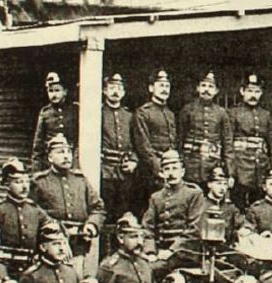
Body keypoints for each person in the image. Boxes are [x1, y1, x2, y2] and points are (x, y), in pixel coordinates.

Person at [31, 133, 106, 257]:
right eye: (60, 152)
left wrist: (92, 225)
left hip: (79, 243)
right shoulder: (39, 182)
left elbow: (98, 208)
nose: (66, 156)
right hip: (51, 242)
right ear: (50, 157)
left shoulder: (81, 180)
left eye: (68, 152)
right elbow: (31, 211)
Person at [0, 157, 50, 276]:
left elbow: (51, 229)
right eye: (18, 182)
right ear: (7, 184)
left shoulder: (36, 211)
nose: (24, 187)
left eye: (26, 182)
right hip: (3, 268)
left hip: (30, 269)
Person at [133, 68, 178, 215]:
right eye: (161, 85)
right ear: (151, 88)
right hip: (150, 172)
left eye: (167, 86)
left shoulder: (170, 114)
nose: (164, 89)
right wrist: (159, 168)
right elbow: (143, 146)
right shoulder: (143, 112)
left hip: (168, 171)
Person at [142, 149, 205, 253]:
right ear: (161, 173)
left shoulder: (194, 194)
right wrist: (150, 252)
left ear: (182, 172)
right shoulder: (156, 197)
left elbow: (194, 229)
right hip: (160, 249)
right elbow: (147, 228)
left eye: (175, 169)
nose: (171, 173)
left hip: (185, 251)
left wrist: (172, 250)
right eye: (167, 169)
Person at [179, 69, 233, 186]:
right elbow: (179, 138)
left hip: (212, 165)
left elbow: (227, 142)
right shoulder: (188, 110)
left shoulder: (221, 113)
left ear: (216, 91)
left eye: (210, 87)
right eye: (203, 86)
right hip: (191, 164)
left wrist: (229, 171)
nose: (206, 90)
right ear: (198, 88)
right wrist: (180, 163)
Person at [229, 73, 272, 209]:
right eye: (250, 91)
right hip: (240, 166)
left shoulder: (265, 114)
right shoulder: (233, 113)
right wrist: (231, 171)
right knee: (239, 203)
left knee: (259, 203)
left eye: (257, 91)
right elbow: (228, 144)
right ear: (242, 91)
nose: (253, 95)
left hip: (260, 166)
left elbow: (270, 142)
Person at [101, 72, 139, 223]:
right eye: (111, 87)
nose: (115, 91)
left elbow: (137, 143)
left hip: (125, 171)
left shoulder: (129, 116)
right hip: (105, 170)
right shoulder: (98, 113)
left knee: (123, 210)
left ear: (123, 92)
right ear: (104, 90)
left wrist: (134, 161)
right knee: (106, 209)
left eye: (119, 88)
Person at [32, 71, 79, 171]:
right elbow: (38, 144)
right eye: (51, 91)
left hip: (71, 160)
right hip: (51, 162)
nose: (54, 94)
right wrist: (36, 170)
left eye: (57, 90)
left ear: (65, 92)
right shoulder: (45, 113)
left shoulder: (75, 110)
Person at [200, 166, 243, 246]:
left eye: (225, 184)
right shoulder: (199, 205)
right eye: (218, 183)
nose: (222, 188)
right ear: (209, 184)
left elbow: (240, 228)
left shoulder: (231, 209)